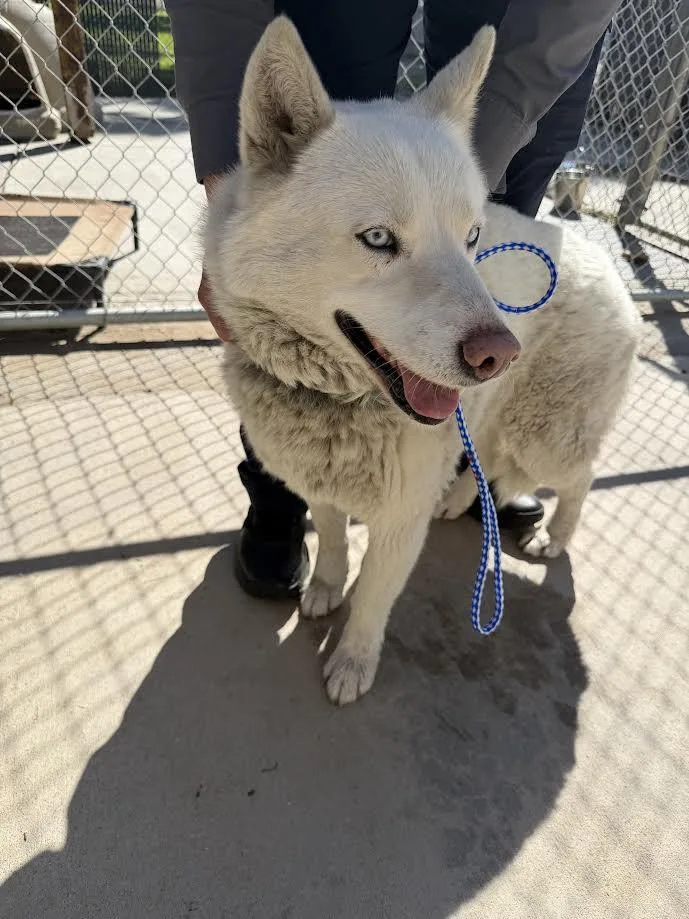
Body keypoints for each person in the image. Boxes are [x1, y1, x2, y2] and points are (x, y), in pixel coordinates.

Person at [166, 0, 618, 600]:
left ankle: (450, 469)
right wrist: (238, 194)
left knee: (485, 199)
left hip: (533, 25)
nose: (492, 337)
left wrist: (457, 156)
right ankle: (283, 504)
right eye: (380, 238)